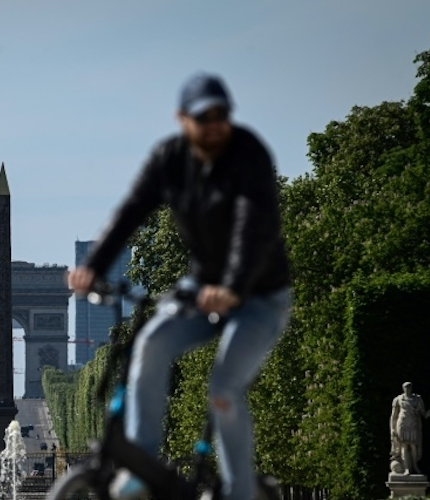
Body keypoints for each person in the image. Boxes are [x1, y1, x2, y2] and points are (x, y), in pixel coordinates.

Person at [69, 73, 291, 500]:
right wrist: (92, 266)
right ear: (181, 118)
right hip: (200, 289)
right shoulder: (169, 158)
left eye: (221, 114)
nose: (213, 123)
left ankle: (240, 493)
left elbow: (253, 227)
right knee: (148, 346)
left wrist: (232, 286)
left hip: (258, 296)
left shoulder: (250, 154)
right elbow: (131, 211)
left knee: (223, 390)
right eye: (203, 115)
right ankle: (142, 467)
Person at [390, 382, 430, 475]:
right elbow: (394, 416)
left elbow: (423, 413)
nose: (407, 389)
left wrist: (427, 414)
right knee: (404, 446)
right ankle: (407, 468)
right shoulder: (398, 399)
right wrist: (392, 428)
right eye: (405, 388)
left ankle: (415, 466)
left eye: (409, 388)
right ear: (403, 388)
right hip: (402, 424)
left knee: (413, 446)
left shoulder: (417, 399)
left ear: (411, 388)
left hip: (413, 424)